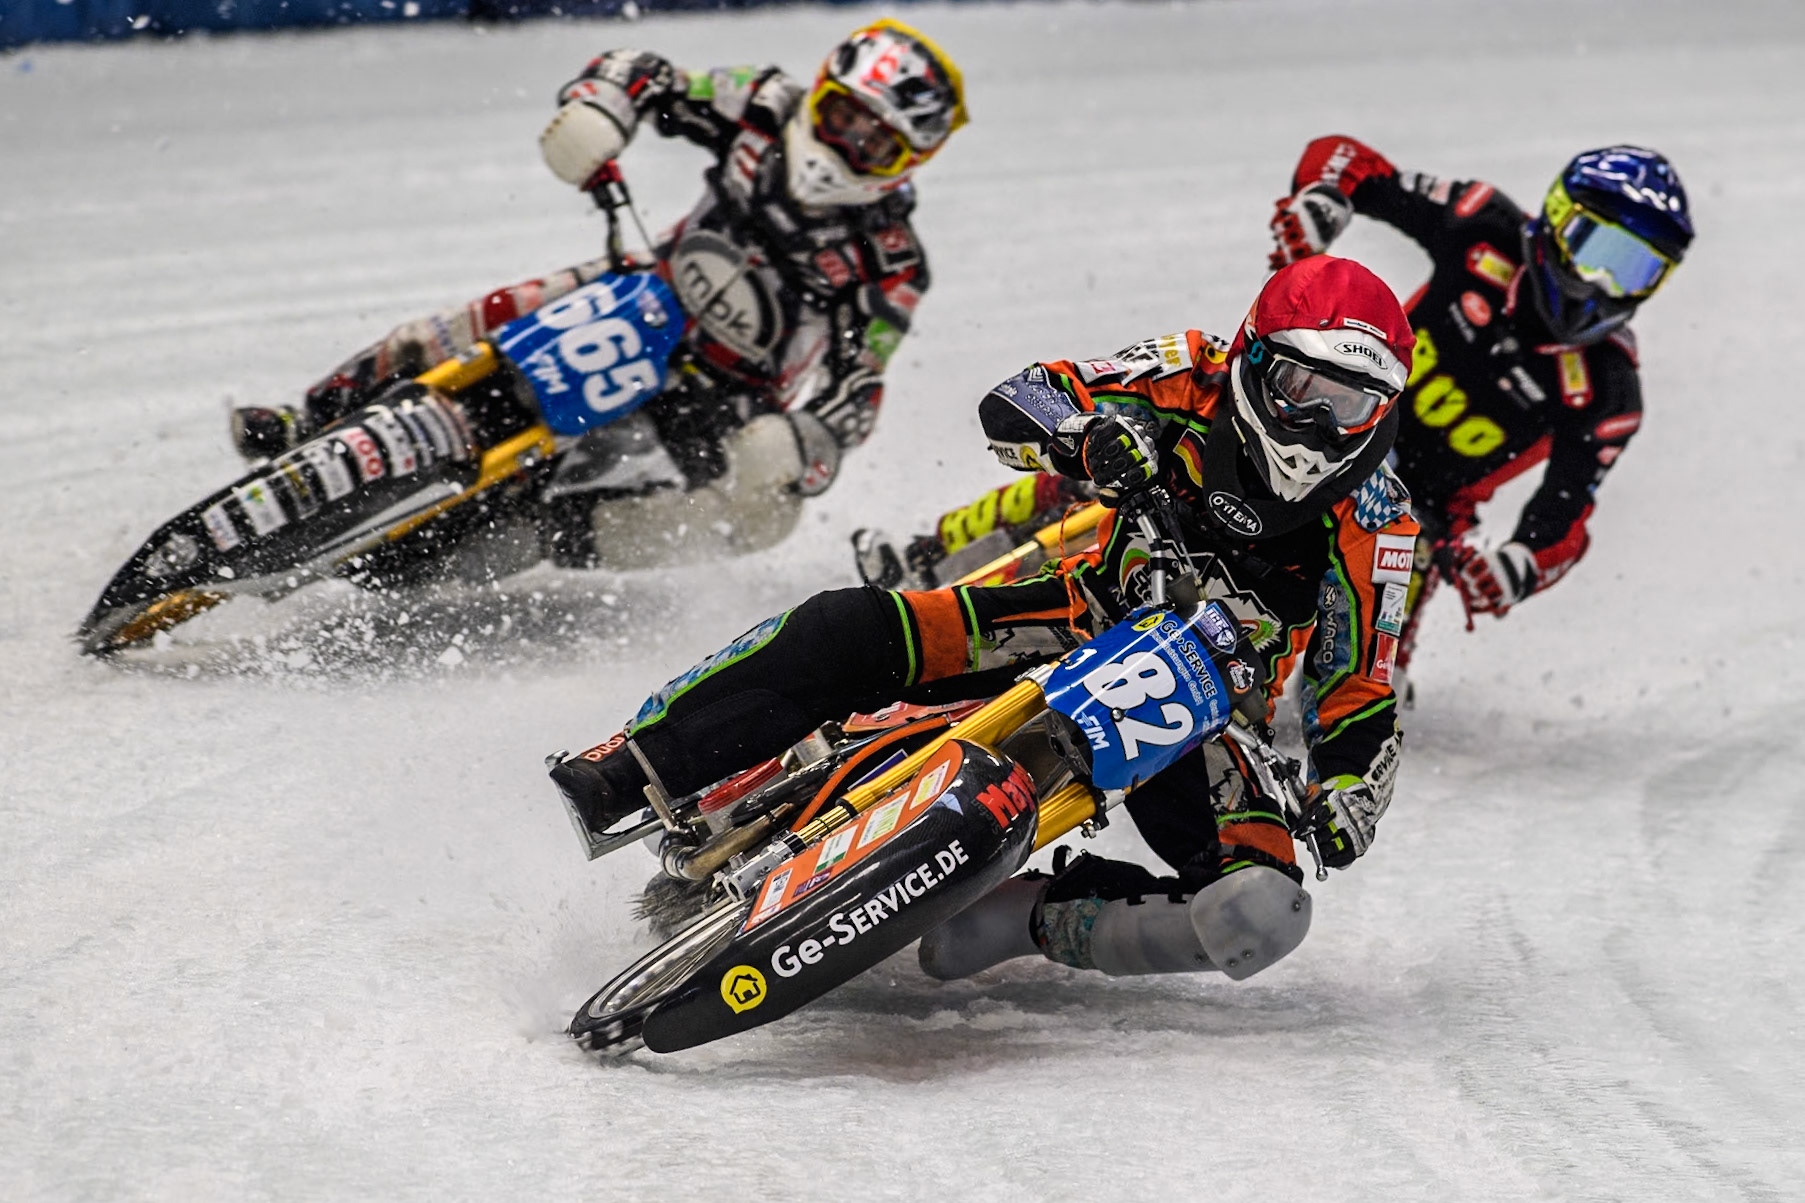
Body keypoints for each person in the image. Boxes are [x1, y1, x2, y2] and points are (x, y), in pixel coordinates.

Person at [551, 256, 1420, 983]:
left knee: (1259, 917)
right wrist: (1083, 436)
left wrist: (1347, 793)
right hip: (1078, 615)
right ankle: (631, 762)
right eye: (1299, 384)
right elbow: (1026, 393)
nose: (1314, 420)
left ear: (1380, 412)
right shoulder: (1186, 370)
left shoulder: (1379, 521)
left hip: (1202, 715)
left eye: (1347, 404)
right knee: (854, 627)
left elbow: (1361, 685)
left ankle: (1027, 920)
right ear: (1251, 354)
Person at [229, 20, 966, 574]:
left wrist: (807, 443)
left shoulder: (892, 262)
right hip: (643, 291)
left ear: (910, 161)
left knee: (764, 516)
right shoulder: (766, 103)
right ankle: (312, 419)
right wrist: (600, 109)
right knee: (460, 325)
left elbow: (860, 384)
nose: (847, 146)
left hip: (728, 398)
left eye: (877, 143)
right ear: (823, 93)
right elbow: (646, 72)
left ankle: (544, 537)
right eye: (844, 118)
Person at [1268, 140, 1693, 677]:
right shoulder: (1483, 223)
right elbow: (1348, 160)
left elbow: (1563, 519)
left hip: (1415, 519)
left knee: (1362, 683)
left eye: (1634, 270)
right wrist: (1322, 200)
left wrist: (1513, 566)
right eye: (1597, 252)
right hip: (1324, 428)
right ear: (1559, 221)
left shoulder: (1609, 393)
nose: (1601, 286)